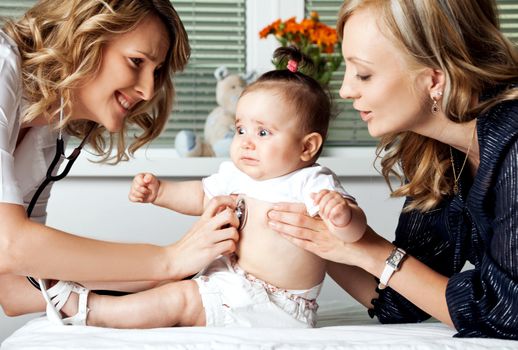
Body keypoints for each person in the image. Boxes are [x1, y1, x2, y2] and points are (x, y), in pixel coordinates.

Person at [57, 47, 367, 328]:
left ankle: (94, 311)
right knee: (169, 284)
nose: (245, 141)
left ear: (307, 147)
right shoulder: (237, 174)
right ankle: (92, 291)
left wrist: (342, 216)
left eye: (262, 132)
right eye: (241, 129)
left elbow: (351, 237)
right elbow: (200, 196)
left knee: (182, 299)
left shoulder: (311, 182)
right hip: (229, 282)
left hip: (275, 306)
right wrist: (161, 192)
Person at [266, 0, 518, 340]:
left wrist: (366, 248)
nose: (345, 90)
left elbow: (504, 311)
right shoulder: (439, 153)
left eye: (364, 73)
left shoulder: (513, 141)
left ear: (434, 78)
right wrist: (310, 232)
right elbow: (402, 300)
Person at [0, 0, 239, 320]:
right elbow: (10, 244)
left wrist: (184, 277)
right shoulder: (3, 63)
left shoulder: (49, 132)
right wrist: (168, 260)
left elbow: (16, 285)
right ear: (84, 38)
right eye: (136, 61)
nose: (148, 89)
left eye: (155, 72)